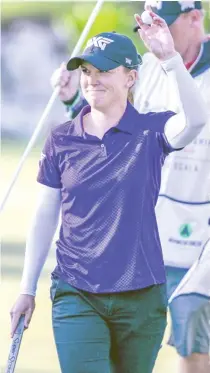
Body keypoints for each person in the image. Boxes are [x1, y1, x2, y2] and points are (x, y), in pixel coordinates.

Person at [10, 8, 207, 373]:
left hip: (141, 299)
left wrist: (170, 61)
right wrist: (27, 288)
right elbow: (45, 213)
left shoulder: (152, 131)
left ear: (131, 77)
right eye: (87, 70)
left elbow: (195, 120)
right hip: (76, 292)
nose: (92, 79)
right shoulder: (64, 138)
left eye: (104, 70)